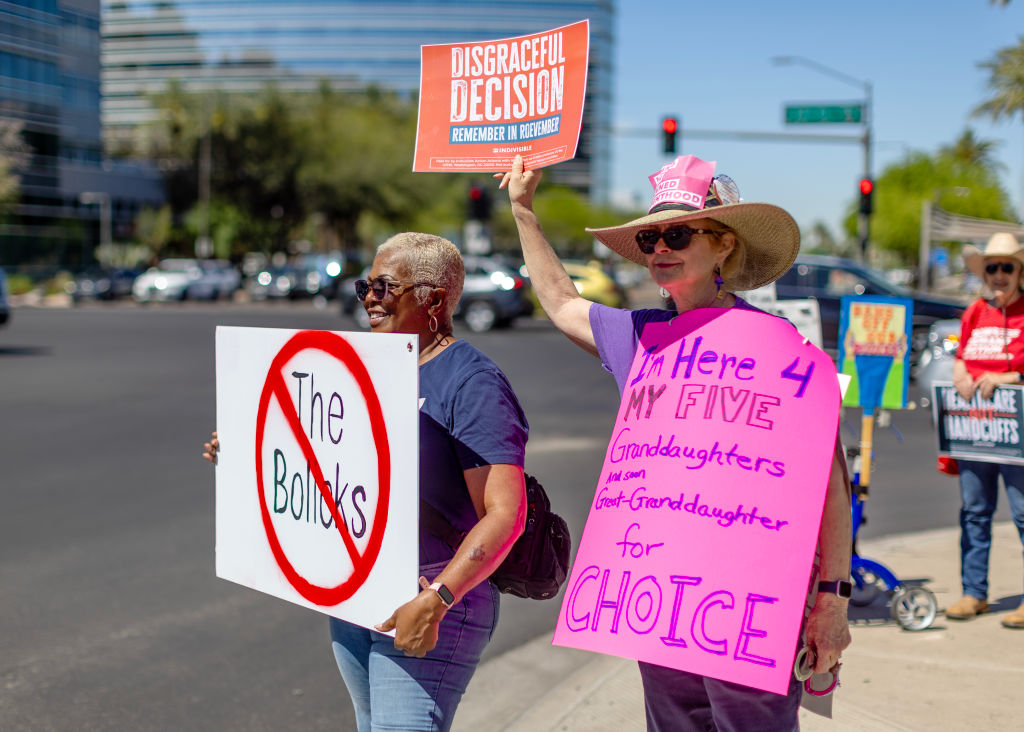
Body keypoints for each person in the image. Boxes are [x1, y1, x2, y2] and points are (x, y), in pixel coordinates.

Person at [498, 153, 852, 730]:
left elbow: (830, 485)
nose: (660, 247)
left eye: (679, 234)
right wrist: (523, 211)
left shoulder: (780, 346)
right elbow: (561, 303)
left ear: (725, 245)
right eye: (651, 237)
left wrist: (833, 598)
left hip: (749, 613)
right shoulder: (642, 335)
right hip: (661, 607)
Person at [204, 232, 529, 730]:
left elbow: (506, 514)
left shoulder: (473, 383)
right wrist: (245, 456)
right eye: (365, 287)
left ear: (434, 300)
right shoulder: (368, 367)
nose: (369, 299)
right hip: (360, 596)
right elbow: (322, 457)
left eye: (384, 287)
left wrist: (438, 600)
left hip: (431, 595)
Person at [946, 232, 1024, 629]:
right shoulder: (975, 312)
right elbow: (961, 356)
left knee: (1023, 515)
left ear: (1019, 271)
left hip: (1018, 437)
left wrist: (1007, 378)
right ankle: (973, 592)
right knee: (974, 513)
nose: (999, 274)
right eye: (992, 267)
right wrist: (960, 373)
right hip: (976, 431)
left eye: (1007, 267)